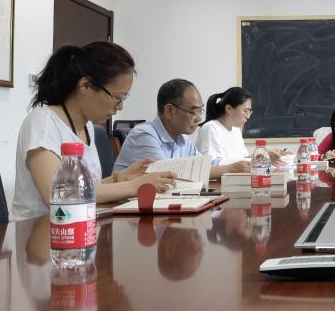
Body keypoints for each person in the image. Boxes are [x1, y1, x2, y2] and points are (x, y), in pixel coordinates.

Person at [12, 42, 176, 220]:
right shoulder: (43, 122)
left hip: (78, 226)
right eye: (117, 98)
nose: (120, 107)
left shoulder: (88, 127)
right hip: (38, 229)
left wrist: (122, 177)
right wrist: (135, 186)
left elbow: (84, 190)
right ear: (86, 85)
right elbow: (59, 195)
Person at [113, 79, 249, 179]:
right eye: (193, 112)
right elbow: (167, 175)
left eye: (200, 111)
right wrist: (228, 169)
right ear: (169, 111)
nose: (198, 118)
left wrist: (243, 164)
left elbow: (205, 164)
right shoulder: (144, 135)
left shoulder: (183, 139)